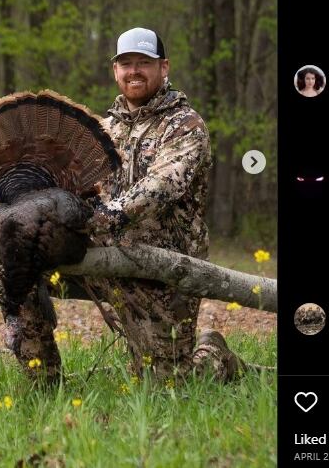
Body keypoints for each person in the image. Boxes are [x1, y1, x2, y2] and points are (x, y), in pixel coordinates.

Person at [79, 27, 242, 382]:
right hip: (107, 258)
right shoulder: (102, 129)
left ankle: (215, 354)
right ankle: (45, 383)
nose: (133, 71)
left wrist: (104, 217)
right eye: (126, 63)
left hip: (167, 268)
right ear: (115, 70)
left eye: (144, 63)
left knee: (168, 383)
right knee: (25, 267)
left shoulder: (185, 125)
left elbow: (162, 187)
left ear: (163, 67)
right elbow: (78, 185)